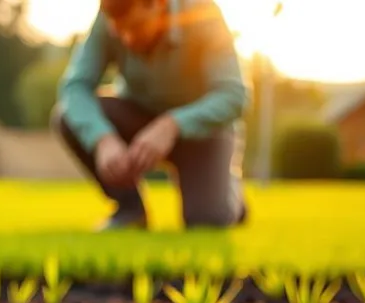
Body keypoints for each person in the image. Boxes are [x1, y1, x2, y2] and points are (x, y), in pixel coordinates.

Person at [53, 0, 250, 231]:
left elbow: (234, 95)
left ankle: (229, 193)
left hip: (202, 132)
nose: (126, 39)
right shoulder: (107, 17)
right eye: (119, 31)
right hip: (138, 118)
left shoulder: (203, 12)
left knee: (206, 220)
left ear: (159, 5)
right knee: (67, 118)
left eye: (135, 28)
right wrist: (102, 139)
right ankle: (130, 210)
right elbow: (75, 87)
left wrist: (172, 125)